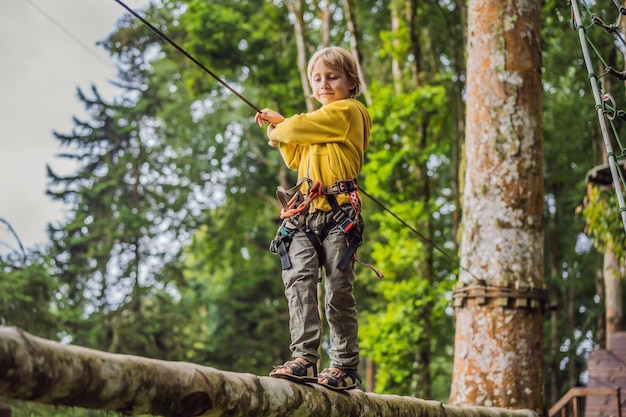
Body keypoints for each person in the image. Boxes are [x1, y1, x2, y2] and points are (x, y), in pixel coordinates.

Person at [254, 46, 375, 391]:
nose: (324, 84)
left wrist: (281, 128)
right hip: (306, 216)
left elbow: (299, 129)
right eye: (318, 78)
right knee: (300, 283)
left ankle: (345, 366)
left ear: (352, 83)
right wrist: (282, 129)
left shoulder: (350, 112)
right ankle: (304, 359)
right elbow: (295, 155)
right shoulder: (319, 125)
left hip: (339, 216)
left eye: (333, 77)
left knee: (337, 291)